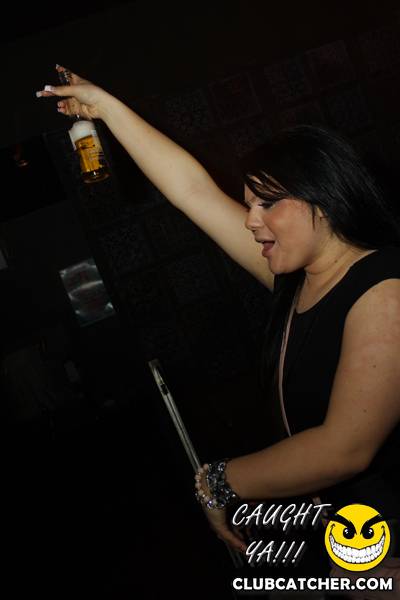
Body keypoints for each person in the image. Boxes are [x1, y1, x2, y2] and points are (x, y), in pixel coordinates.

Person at [37, 68, 400, 594]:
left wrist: (218, 483)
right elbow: (192, 191)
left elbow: (344, 449)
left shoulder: (386, 286)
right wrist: (105, 108)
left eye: (267, 203)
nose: (251, 220)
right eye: (249, 204)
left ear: (324, 198)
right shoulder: (298, 283)